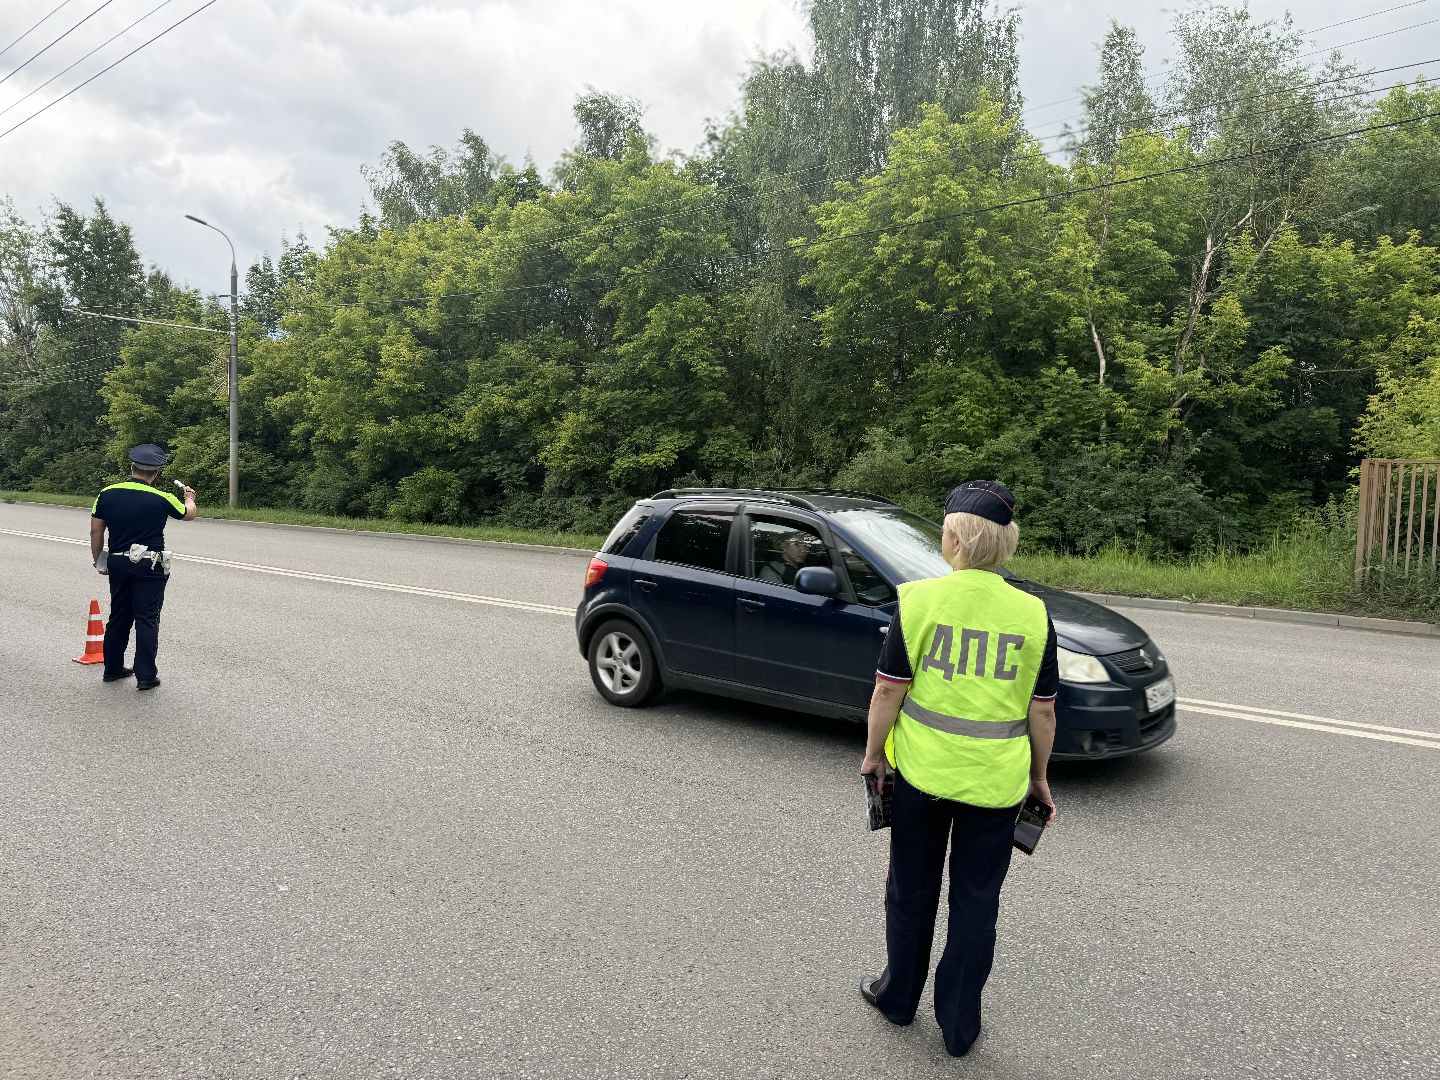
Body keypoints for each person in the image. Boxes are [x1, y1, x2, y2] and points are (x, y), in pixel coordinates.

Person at [858, 480, 1058, 1057]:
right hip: (996, 788)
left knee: (911, 891)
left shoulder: (918, 599)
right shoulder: (1032, 614)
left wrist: (874, 757)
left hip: (921, 778)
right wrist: (1038, 778)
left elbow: (886, 695)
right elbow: (1042, 713)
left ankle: (898, 999)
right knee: (976, 902)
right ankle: (959, 1028)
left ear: (953, 539)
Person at [89, 444, 197, 690]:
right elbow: (188, 514)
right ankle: (146, 676)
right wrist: (189, 498)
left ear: (132, 467)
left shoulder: (106, 493)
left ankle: (112, 668)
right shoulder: (161, 497)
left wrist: (99, 560)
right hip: (150, 563)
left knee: (119, 615)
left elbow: (96, 530)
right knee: (147, 618)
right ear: (156, 472)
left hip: (117, 559)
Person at [757, 529, 821, 585]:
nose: (803, 550)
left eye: (806, 545)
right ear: (784, 547)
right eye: (796, 544)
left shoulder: (806, 567)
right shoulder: (773, 570)